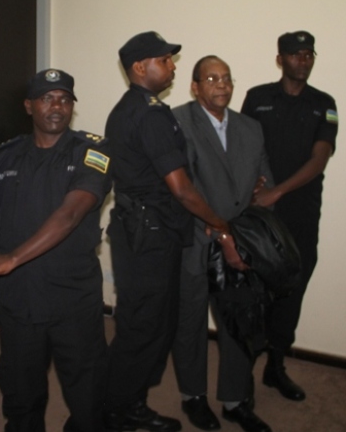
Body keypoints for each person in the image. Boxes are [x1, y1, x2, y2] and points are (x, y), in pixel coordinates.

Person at [102, 32, 246, 432]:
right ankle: (116, 412)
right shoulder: (148, 113)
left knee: (147, 325)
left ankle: (127, 403)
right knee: (143, 329)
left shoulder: (132, 108)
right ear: (139, 67)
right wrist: (220, 223)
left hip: (145, 231)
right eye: (164, 60)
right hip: (150, 234)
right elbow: (181, 188)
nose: (172, 67)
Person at [0, 69, 112, 432]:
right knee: (20, 394)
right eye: (47, 98)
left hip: (72, 299)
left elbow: (71, 212)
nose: (57, 106)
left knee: (89, 395)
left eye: (64, 99)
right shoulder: (4, 157)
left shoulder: (93, 150)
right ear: (29, 105)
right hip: (19, 300)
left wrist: (10, 259)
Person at [171, 56, 273, 432]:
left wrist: (260, 196)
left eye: (227, 78)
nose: (222, 85)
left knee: (237, 323)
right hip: (195, 240)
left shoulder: (251, 127)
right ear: (195, 86)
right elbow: (182, 187)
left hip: (241, 240)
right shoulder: (178, 121)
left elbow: (264, 178)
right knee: (191, 322)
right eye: (211, 78)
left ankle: (234, 400)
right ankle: (192, 397)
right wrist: (220, 230)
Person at [241, 31, 338, 402]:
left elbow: (319, 158)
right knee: (253, 291)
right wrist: (252, 186)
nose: (304, 60)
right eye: (295, 54)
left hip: (300, 213)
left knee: (291, 291)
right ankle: (243, 370)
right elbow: (244, 145)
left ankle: (275, 367)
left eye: (309, 53)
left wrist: (277, 191)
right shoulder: (257, 97)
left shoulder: (324, 103)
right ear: (280, 59)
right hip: (258, 215)